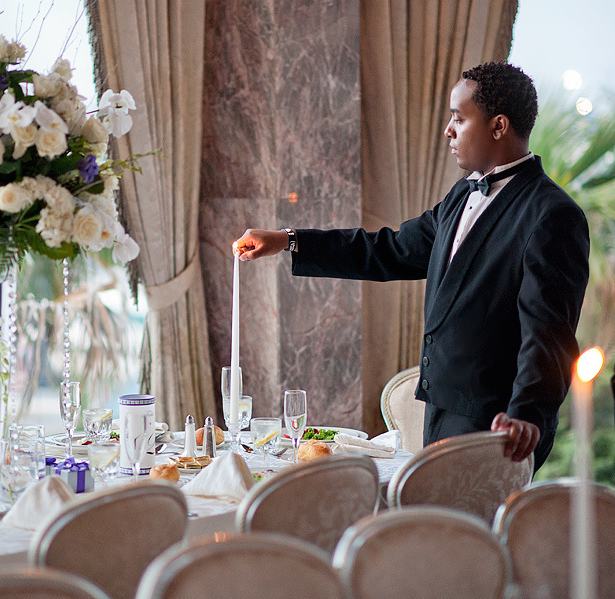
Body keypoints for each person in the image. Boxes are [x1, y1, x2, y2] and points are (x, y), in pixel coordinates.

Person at [235, 62, 589, 471]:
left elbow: (548, 333)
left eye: (459, 118)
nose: (448, 130)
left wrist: (527, 415)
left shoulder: (552, 214)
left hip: (499, 428)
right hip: (439, 414)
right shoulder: (461, 196)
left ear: (498, 126)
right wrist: (289, 240)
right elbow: (388, 250)